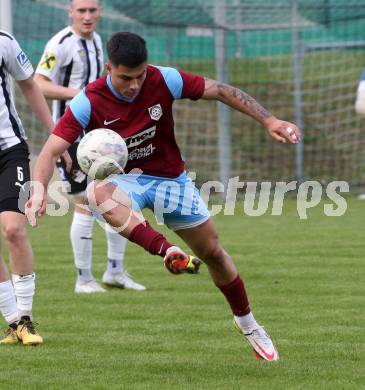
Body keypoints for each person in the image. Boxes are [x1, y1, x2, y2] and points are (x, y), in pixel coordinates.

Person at [27, 32, 301, 361]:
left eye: (139, 76)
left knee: (213, 252)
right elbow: (49, 151)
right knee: (98, 194)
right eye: (126, 78)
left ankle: (248, 323)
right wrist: (39, 190)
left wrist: (269, 119)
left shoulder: (164, 79)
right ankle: (167, 251)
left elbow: (220, 90)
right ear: (108, 68)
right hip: (124, 179)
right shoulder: (89, 99)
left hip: (170, 178)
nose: (134, 85)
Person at [34, 0, 145, 293]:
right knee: (84, 202)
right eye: (81, 10)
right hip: (72, 137)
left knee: (117, 198)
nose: (87, 16)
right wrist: (81, 93)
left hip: (101, 135)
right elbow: (38, 83)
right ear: (70, 11)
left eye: (92, 10)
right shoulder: (60, 44)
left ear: (100, 12)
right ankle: (83, 279)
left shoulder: (98, 41)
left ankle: (115, 272)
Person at [0, 31, 55, 345]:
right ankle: (12, 324)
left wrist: (54, 133)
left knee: (13, 230)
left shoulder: (4, 42)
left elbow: (29, 85)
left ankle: (26, 319)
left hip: (9, 150)